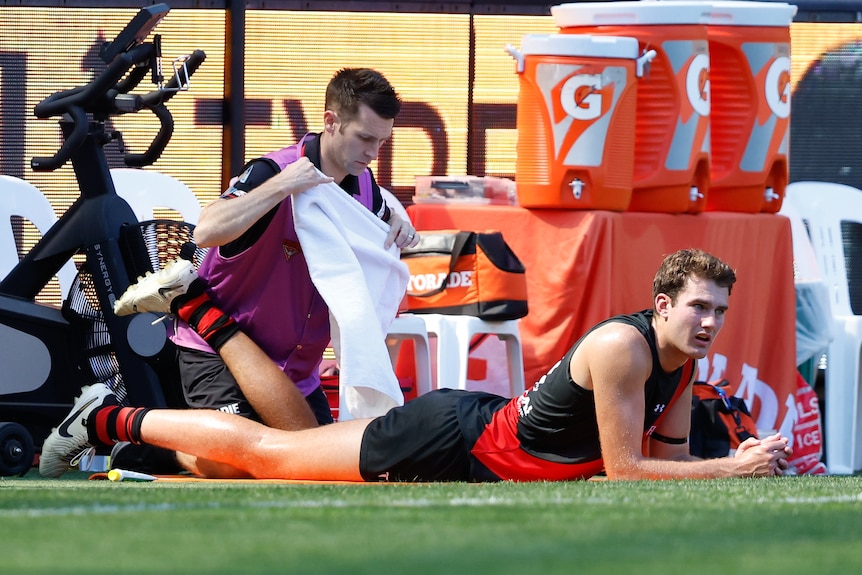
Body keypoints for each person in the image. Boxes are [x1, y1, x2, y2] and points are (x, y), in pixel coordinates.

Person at [42, 249, 791, 481]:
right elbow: (627, 472)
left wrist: (729, 466)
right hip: (447, 437)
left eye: (719, 312)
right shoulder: (623, 347)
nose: (710, 323)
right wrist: (736, 469)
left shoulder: (680, 363)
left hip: (470, 439)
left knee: (265, 453)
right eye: (698, 307)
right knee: (268, 455)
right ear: (661, 303)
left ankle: (144, 400)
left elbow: (669, 467)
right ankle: (102, 415)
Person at [110, 68, 418, 473]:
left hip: (297, 373)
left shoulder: (367, 189)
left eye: (382, 141)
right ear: (330, 122)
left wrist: (398, 217)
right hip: (217, 347)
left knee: (327, 466)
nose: (373, 152)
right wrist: (282, 187)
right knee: (244, 465)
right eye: (364, 137)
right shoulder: (273, 171)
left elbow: (379, 220)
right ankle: (134, 439)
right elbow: (206, 230)